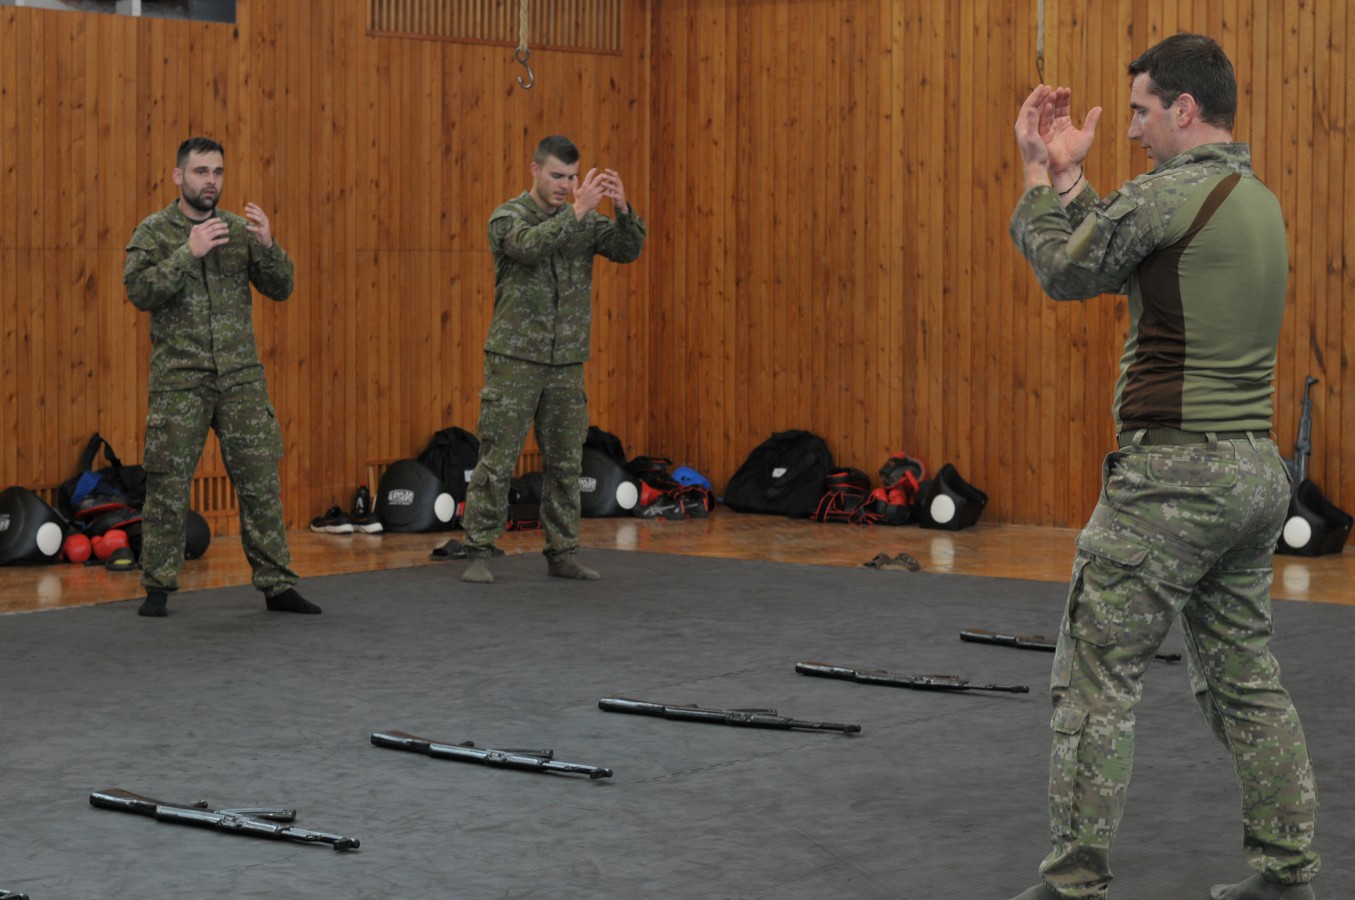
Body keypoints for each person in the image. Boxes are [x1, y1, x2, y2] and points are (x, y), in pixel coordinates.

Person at [1007, 34, 1319, 900]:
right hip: (1251, 476)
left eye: (1140, 111)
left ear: (1184, 109)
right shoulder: (1254, 199)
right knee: (1244, 681)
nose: (1131, 129)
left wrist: (1035, 173)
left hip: (1174, 482)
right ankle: (1286, 872)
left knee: (1094, 674)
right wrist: (1074, 181)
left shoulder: (1167, 193)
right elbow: (1122, 248)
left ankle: (1072, 882)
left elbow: (1067, 270)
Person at [125, 136, 319, 617]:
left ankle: (277, 585)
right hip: (180, 379)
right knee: (168, 485)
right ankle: (157, 587)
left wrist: (269, 245)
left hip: (240, 378)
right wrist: (186, 253)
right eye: (200, 172)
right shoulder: (154, 231)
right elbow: (139, 290)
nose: (210, 181)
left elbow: (282, 287)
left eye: (217, 172)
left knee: (260, 482)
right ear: (178, 176)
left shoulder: (238, 230)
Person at [460, 135, 646, 584]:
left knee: (565, 463)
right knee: (498, 457)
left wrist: (623, 210)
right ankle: (479, 549)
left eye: (572, 177)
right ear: (535, 171)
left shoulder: (584, 220)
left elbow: (627, 250)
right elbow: (529, 246)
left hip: (565, 362)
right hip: (515, 360)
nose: (566, 185)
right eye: (557, 175)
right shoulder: (508, 217)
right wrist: (577, 211)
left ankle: (562, 552)